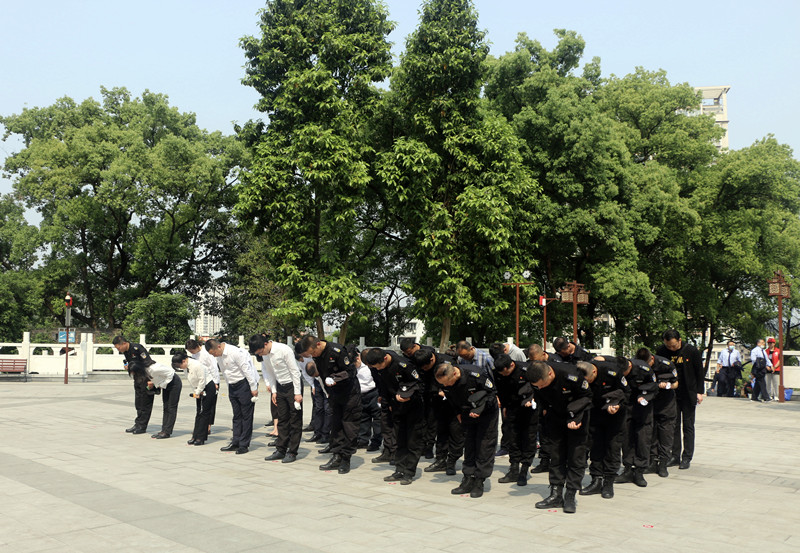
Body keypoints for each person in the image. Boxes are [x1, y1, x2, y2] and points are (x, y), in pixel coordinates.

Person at [527, 360, 592, 514]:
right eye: (537, 386)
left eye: (542, 384)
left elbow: (587, 397)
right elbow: (540, 396)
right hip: (555, 417)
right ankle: (556, 494)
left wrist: (576, 419)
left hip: (577, 416)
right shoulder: (536, 378)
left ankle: (570, 494)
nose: (540, 388)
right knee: (556, 455)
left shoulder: (571, 375)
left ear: (550, 373)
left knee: (576, 457)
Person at [299, 335, 362, 474]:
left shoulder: (337, 351)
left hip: (349, 393)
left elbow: (350, 371)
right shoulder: (317, 355)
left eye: (312, 352)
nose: (312, 356)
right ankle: (336, 456)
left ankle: (346, 459)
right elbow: (322, 374)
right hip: (334, 394)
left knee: (349, 426)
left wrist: (335, 378)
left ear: (318, 344)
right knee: (336, 426)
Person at [435, 361, 498, 498]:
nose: (445, 386)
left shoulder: (475, 374)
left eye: (447, 383)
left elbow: (491, 394)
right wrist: (458, 413)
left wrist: (480, 410)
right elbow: (451, 399)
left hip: (486, 413)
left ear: (455, 374)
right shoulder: (446, 382)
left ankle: (479, 480)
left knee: (484, 446)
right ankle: (468, 478)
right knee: (469, 445)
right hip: (466, 412)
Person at [365, 348, 425, 485]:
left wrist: (408, 396)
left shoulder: (404, 365)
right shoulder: (377, 367)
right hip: (396, 406)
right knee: (399, 439)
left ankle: (409, 472)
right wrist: (387, 402)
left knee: (412, 441)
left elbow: (419, 385)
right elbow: (383, 386)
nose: (378, 369)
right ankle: (399, 469)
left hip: (413, 407)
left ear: (385, 358)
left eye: (379, 366)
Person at [578, 357, 628, 499]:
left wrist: (618, 406)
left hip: (614, 416)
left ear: (594, 371)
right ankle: (596, 479)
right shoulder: (580, 374)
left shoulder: (612, 372)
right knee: (595, 447)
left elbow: (626, 393)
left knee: (612, 448)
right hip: (595, 415)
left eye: (590, 380)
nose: (589, 383)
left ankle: (608, 481)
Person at [250, 335, 303, 464]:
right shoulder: (265, 355)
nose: (261, 354)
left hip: (292, 386)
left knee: (295, 420)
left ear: (266, 344)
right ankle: (281, 449)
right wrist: (274, 392)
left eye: (261, 351)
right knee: (282, 419)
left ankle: (292, 452)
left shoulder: (284, 350)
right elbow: (270, 373)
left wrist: (297, 393)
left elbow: (295, 371)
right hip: (280, 387)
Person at [656, 329, 704, 471]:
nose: (671, 348)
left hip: (688, 393)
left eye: (674, 346)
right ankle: (674, 455)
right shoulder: (661, 351)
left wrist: (699, 392)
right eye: (668, 346)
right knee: (674, 425)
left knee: (688, 426)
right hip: (671, 394)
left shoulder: (691, 351)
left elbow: (699, 372)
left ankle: (687, 457)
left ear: (680, 340)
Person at [413, 348, 464, 476]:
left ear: (432, 359)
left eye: (426, 367)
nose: (424, 369)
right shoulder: (421, 364)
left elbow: (457, 382)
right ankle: (441, 460)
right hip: (434, 402)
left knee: (456, 433)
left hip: (453, 403)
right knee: (440, 432)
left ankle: (452, 461)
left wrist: (444, 390)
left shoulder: (447, 362)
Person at [206, 339, 260, 455]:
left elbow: (247, 370)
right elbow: (225, 373)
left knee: (246, 416)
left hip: (244, 384)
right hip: (233, 386)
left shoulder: (235, 352)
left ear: (219, 347)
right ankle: (235, 442)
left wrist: (253, 387)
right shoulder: (219, 356)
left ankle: (244, 445)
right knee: (236, 416)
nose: (214, 356)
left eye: (214, 353)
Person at [492, 354, 538, 486]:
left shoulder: (527, 370)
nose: (503, 375)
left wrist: (533, 399)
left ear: (511, 365)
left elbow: (538, 387)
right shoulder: (498, 373)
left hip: (530, 408)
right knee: (513, 438)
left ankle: (524, 470)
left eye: (505, 372)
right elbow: (501, 391)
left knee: (528, 439)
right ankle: (513, 469)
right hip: (512, 408)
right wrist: (505, 406)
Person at [616, 356, 658, 489]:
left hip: (643, 406)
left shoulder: (644, 369)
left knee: (643, 439)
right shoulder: (616, 368)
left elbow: (654, 387)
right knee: (626, 438)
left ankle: (639, 471)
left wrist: (645, 396)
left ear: (629, 366)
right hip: (627, 405)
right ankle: (628, 469)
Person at [129, 357, 182, 439]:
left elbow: (170, 373)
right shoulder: (146, 372)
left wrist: (161, 385)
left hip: (174, 383)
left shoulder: (154, 369)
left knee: (171, 408)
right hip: (166, 385)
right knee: (166, 407)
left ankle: (167, 432)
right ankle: (164, 430)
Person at [113, 336, 156, 435]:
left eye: (118, 348)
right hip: (137, 378)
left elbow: (148, 363)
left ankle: (142, 426)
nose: (118, 350)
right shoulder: (126, 351)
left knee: (145, 403)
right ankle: (137, 424)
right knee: (138, 402)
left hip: (146, 378)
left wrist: (150, 380)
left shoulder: (138, 349)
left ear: (124, 343)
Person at [173, 352, 216, 446]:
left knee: (204, 412)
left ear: (184, 361)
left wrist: (198, 391)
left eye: (180, 365)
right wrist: (196, 391)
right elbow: (191, 381)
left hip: (208, 387)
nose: (180, 368)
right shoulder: (186, 367)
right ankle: (195, 435)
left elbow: (202, 380)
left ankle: (201, 437)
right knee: (198, 412)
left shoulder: (196, 365)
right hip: (199, 389)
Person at [186, 339, 220, 433]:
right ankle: (200, 425)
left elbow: (214, 368)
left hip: (211, 381)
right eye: (189, 352)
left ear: (197, 347)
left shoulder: (206, 353)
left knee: (210, 404)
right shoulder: (194, 355)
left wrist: (216, 382)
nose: (191, 353)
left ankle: (208, 426)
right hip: (201, 382)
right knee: (200, 405)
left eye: (192, 350)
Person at [354, 346, 382, 452]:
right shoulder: (352, 368)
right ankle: (363, 440)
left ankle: (376, 442)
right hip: (360, 396)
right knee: (364, 418)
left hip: (373, 393)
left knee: (377, 419)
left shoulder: (369, 367)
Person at [750, 339, 773, 403]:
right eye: (762, 343)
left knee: (758, 382)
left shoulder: (763, 351)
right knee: (762, 382)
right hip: (757, 368)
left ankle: (754, 397)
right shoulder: (755, 350)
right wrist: (762, 364)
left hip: (762, 368)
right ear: (758, 343)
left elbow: (766, 359)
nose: (763, 344)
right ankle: (766, 397)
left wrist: (770, 365)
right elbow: (753, 359)